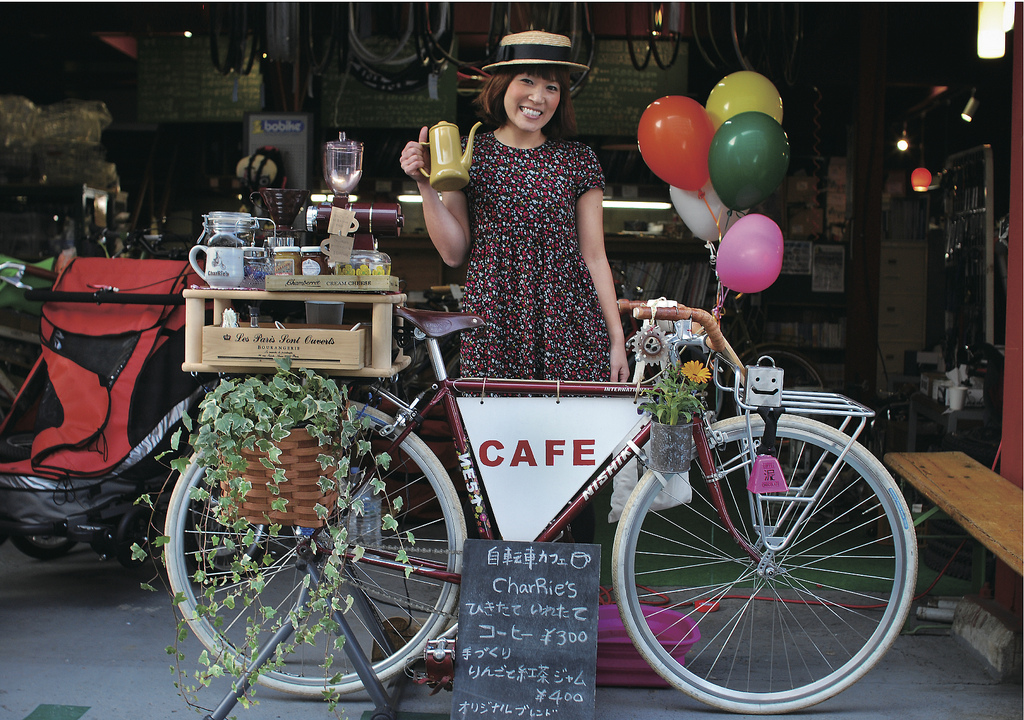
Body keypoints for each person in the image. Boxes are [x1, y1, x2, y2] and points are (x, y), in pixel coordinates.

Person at [399, 30, 629, 385]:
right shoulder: (468, 154)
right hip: (495, 320)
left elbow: (595, 256)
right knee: (497, 436)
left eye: (552, 87)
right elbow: (453, 253)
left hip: (567, 322)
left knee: (568, 437)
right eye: (527, 81)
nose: (538, 97)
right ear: (503, 84)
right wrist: (425, 184)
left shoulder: (578, 161)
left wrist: (617, 340)